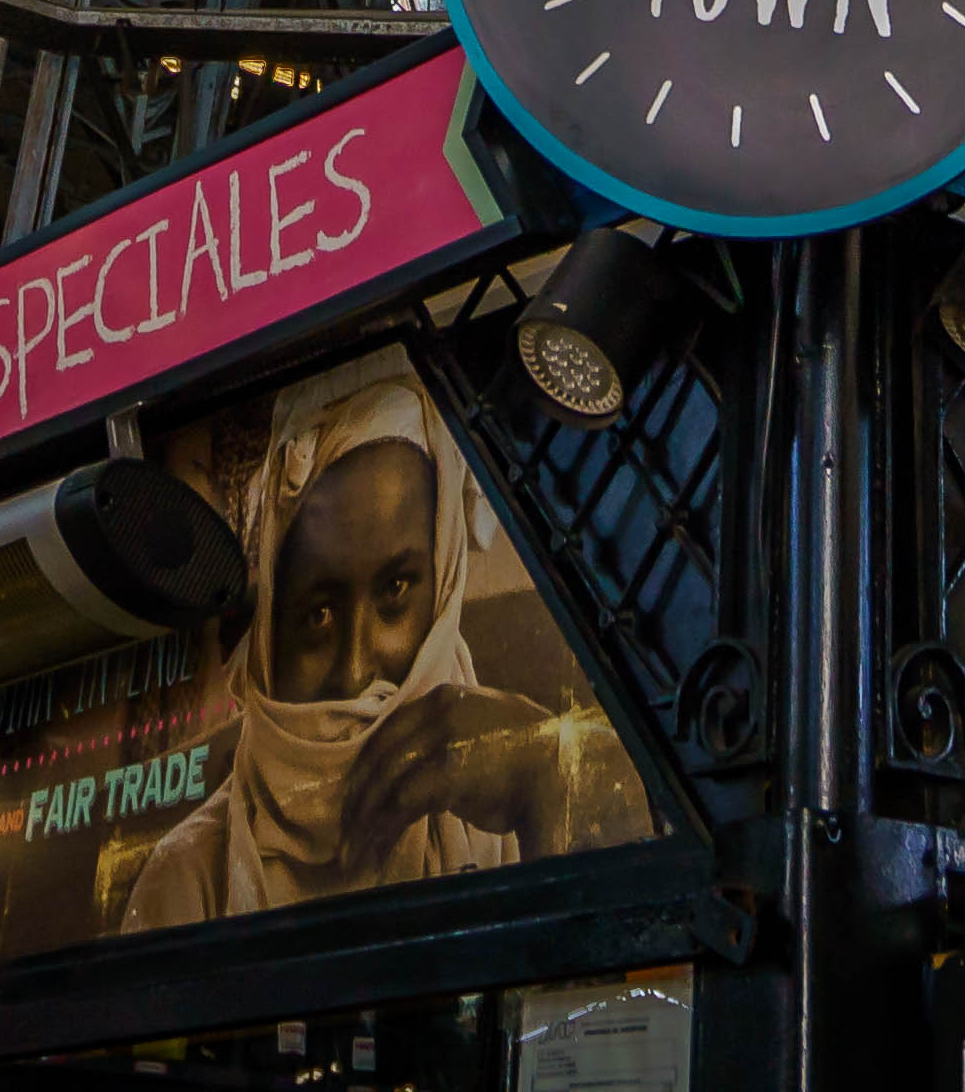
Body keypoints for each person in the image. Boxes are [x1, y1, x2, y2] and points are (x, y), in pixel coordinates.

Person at [112, 365, 639, 926]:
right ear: (271, 637)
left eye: (394, 592)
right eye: (317, 614)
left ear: (442, 591)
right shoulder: (189, 882)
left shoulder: (506, 816)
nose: (355, 669)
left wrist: (549, 775)